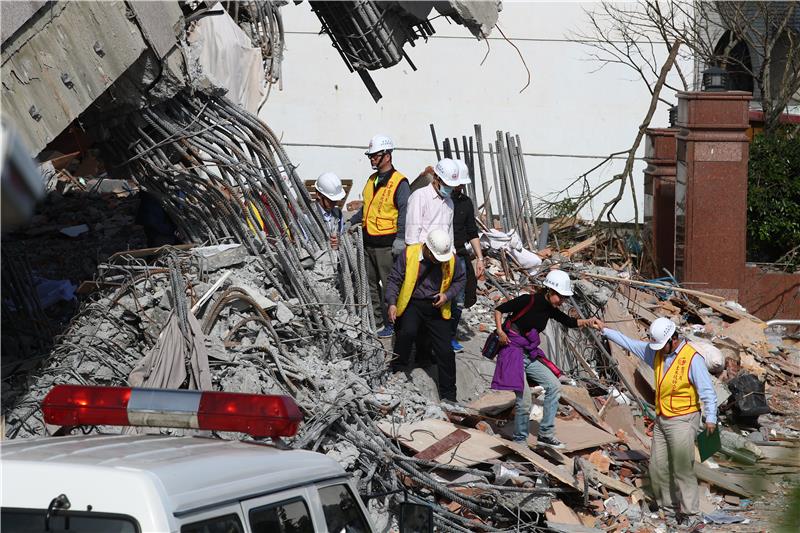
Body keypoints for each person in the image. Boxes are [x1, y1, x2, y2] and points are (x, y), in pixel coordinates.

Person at [597, 317, 717, 529]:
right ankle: (670, 511)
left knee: (681, 467)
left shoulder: (692, 358)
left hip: (684, 418)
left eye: (663, 346)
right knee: (657, 467)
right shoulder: (657, 352)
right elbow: (629, 343)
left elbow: (707, 390)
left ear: (674, 339)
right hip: (663, 418)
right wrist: (605, 330)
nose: (659, 350)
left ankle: (692, 515)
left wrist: (711, 418)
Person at [490, 270, 601, 448]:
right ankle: (520, 441)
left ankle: (546, 434)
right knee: (524, 401)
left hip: (528, 353)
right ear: (550, 291)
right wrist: (500, 332)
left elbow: (570, 322)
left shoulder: (550, 309)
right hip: (512, 352)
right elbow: (499, 309)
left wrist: (589, 321)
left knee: (554, 386)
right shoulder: (528, 300)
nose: (563, 301)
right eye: (561, 297)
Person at [385, 228, 466, 402]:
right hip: (412, 302)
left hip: (438, 306)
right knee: (407, 333)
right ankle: (397, 369)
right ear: (427, 249)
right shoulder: (410, 253)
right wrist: (392, 302)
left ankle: (449, 396)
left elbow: (460, 280)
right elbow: (394, 279)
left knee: (445, 351)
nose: (438, 261)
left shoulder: (452, 259)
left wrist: (447, 295)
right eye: (435, 257)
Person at [348, 135, 411, 338]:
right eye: (370, 156)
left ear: (387, 155)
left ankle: (396, 324)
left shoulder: (399, 182)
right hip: (368, 243)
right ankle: (376, 322)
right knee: (371, 286)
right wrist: (351, 221)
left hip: (387, 245)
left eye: (375, 155)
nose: (372, 159)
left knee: (391, 287)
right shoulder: (371, 180)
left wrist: (401, 239)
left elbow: (404, 212)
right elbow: (367, 208)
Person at [450, 159, 485, 353]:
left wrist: (479, 258)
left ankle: (450, 335)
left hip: (460, 254)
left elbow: (472, 231)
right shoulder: (437, 200)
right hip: (439, 254)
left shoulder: (465, 203)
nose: (460, 187)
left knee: (459, 299)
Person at [404, 158, 460, 248]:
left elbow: (449, 233)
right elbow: (412, 236)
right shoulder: (419, 196)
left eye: (452, 186)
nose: (449, 188)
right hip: (423, 255)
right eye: (446, 184)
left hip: (443, 255)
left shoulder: (449, 202)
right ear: (436, 178)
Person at [314, 172, 346, 249]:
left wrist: (339, 242)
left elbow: (343, 236)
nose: (334, 203)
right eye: (330, 200)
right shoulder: (307, 216)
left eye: (335, 200)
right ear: (318, 195)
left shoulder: (338, 214)